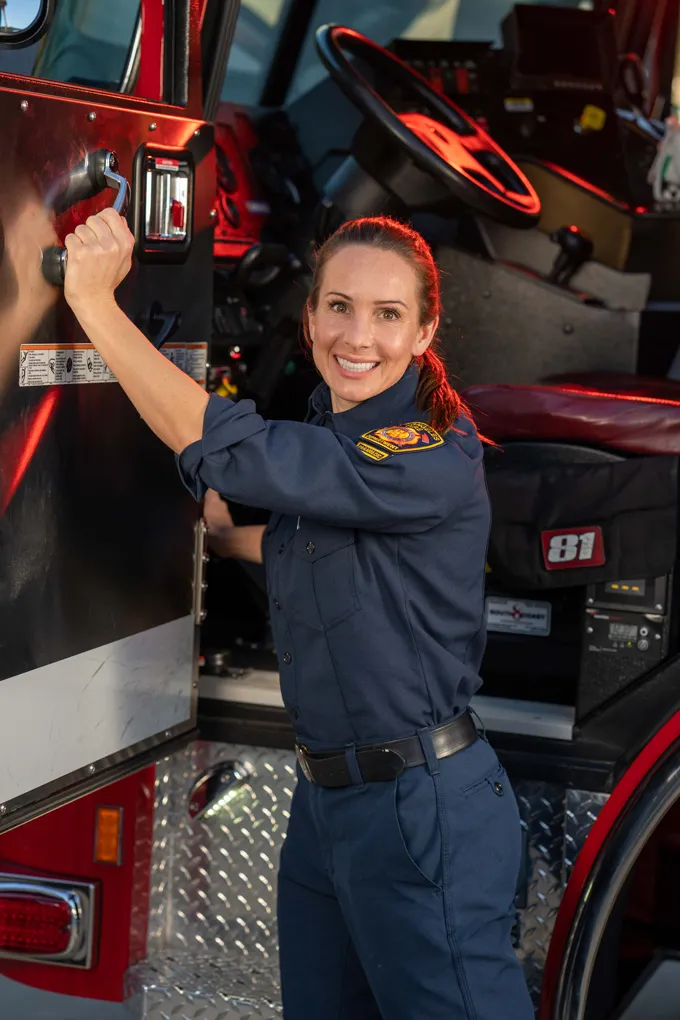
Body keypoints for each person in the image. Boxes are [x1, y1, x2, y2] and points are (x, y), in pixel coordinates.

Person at [63, 209, 533, 1020]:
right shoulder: (340, 429)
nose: (359, 335)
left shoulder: (427, 446)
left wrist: (95, 306)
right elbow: (315, 538)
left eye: (389, 315)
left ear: (426, 331)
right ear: (309, 316)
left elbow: (237, 450)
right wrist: (224, 536)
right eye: (340, 306)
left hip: (419, 812)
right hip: (326, 806)